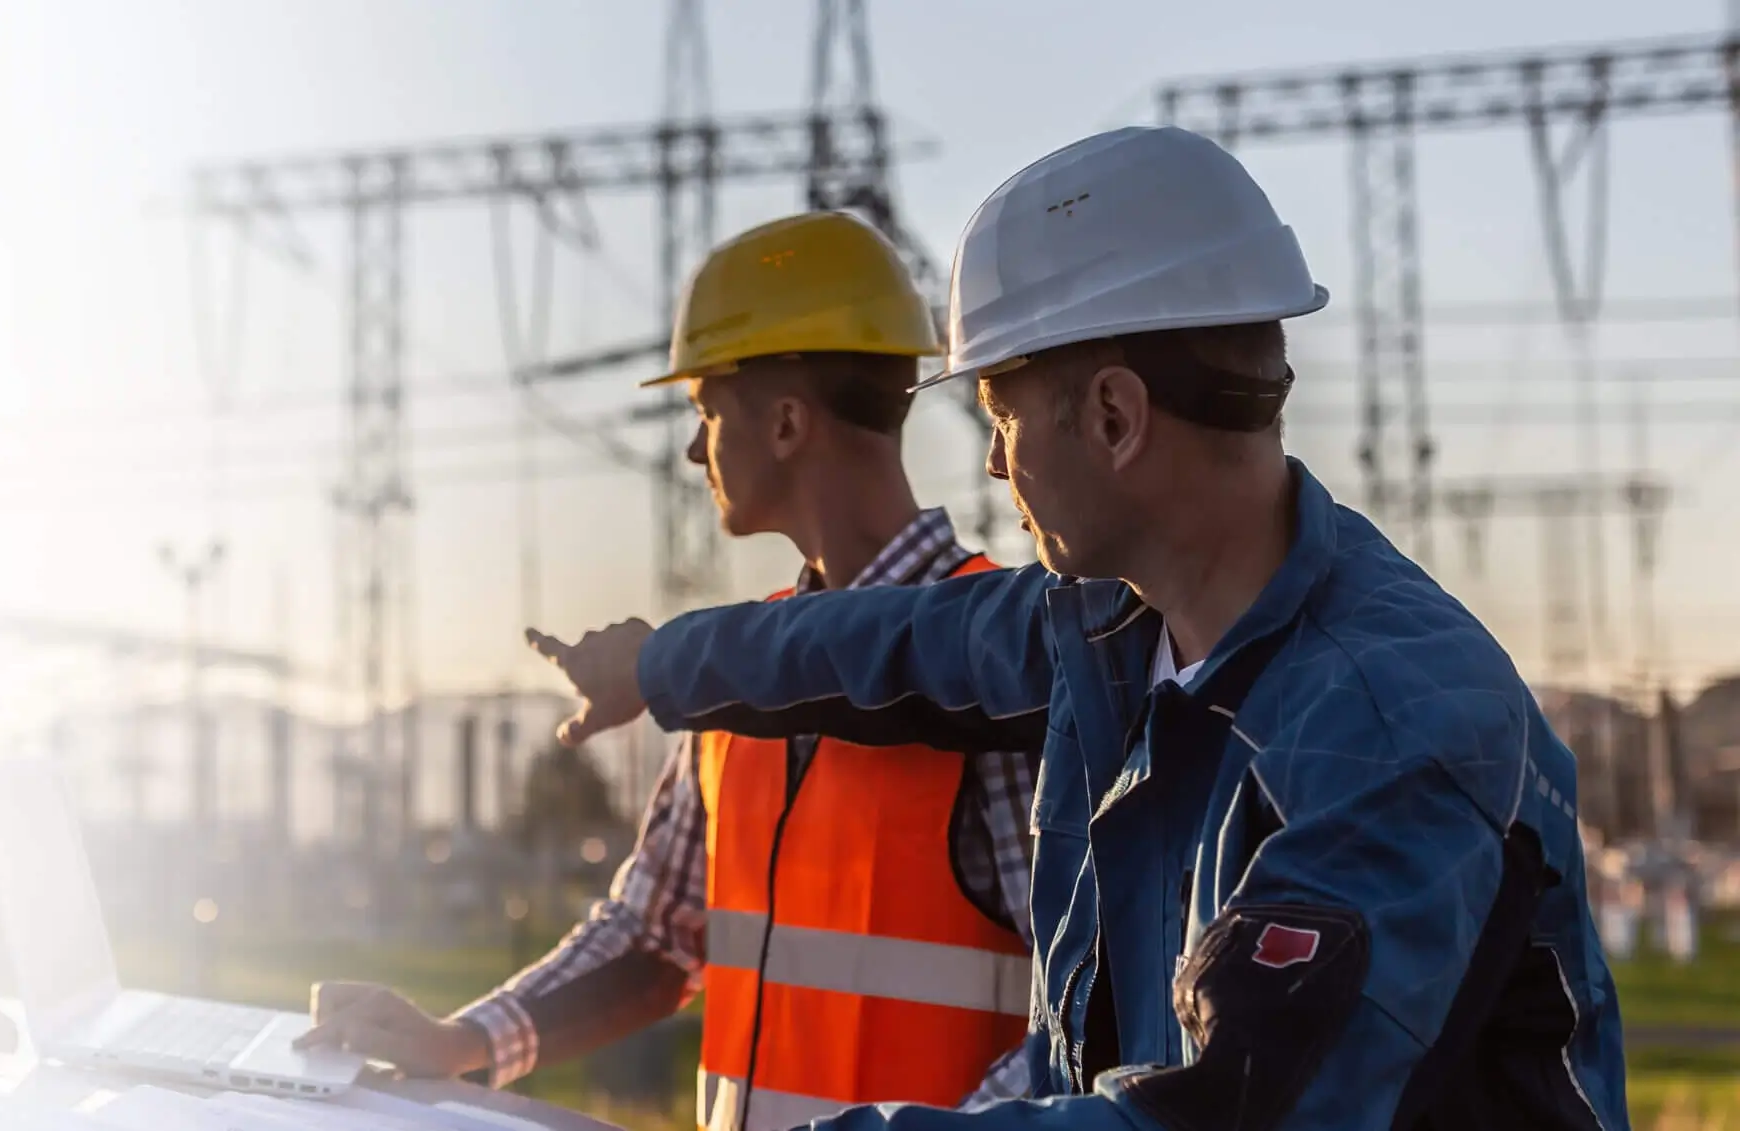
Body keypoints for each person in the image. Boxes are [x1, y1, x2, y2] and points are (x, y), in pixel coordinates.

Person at [522, 127, 1629, 1131]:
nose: (994, 462)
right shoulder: (1106, 630)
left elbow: (1221, 1115)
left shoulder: (1391, 723)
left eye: (999, 415)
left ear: (1111, 416)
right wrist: (649, 668)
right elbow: (868, 644)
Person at [298, 211, 1046, 1130]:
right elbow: (657, 932)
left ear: (782, 422)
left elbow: (1078, 1016)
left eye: (705, 411)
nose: (695, 451)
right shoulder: (732, 676)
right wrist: (467, 1040)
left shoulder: (1000, 678)